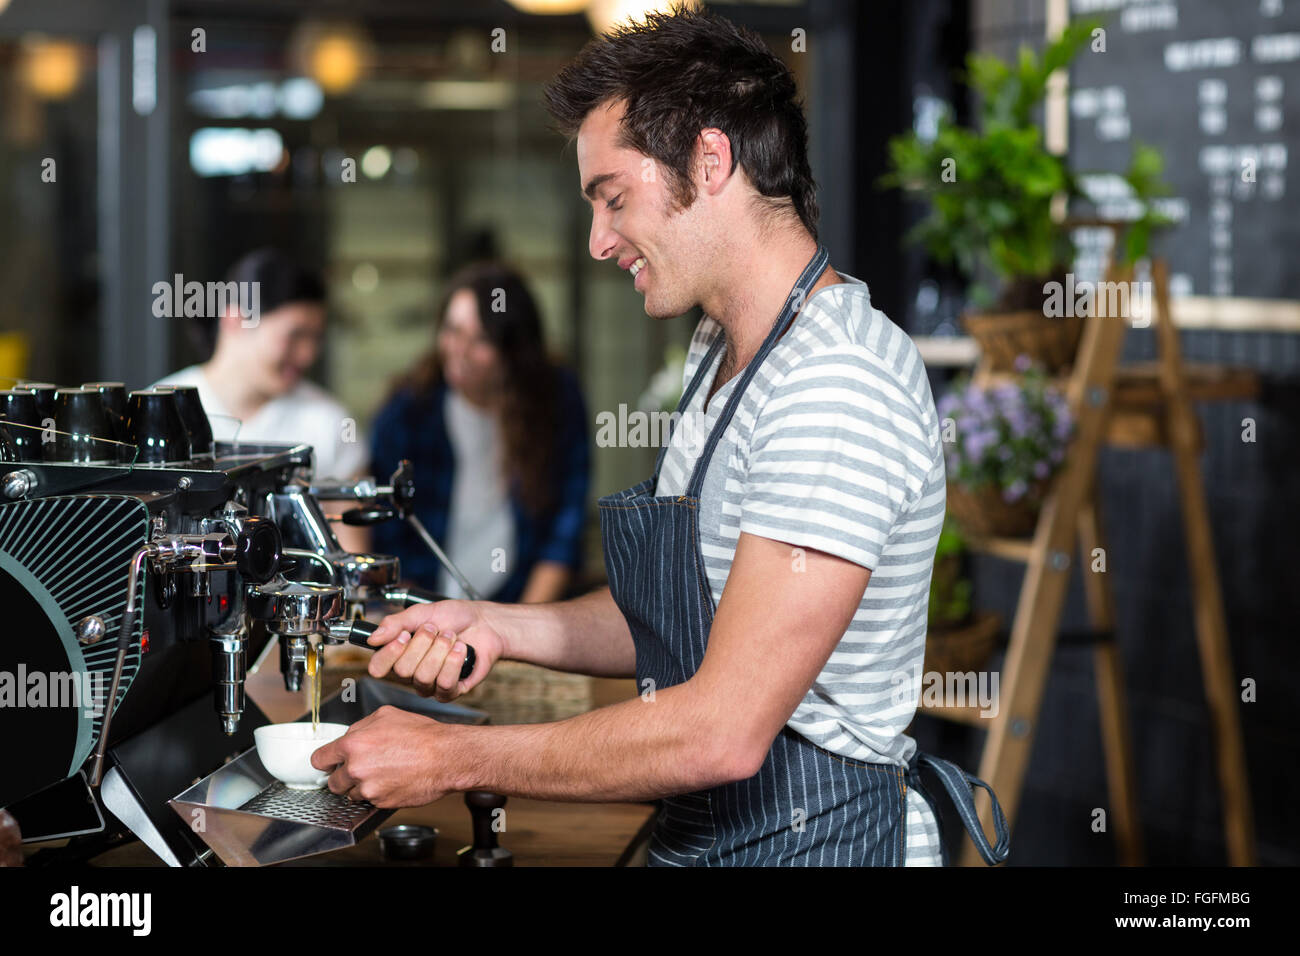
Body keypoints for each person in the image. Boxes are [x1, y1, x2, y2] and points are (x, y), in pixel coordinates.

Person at [315, 8, 1010, 867]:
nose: (600, 241)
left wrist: (446, 755)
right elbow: (688, 614)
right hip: (704, 841)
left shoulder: (835, 382)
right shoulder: (720, 354)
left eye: (613, 198)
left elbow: (720, 732)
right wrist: (493, 625)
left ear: (709, 161)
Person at [368, 261, 590, 604]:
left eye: (481, 339)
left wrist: (523, 629)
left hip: (516, 601)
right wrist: (423, 621)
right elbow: (387, 533)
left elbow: (563, 536)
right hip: (426, 602)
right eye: (452, 330)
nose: (460, 350)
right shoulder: (410, 409)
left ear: (515, 351)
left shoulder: (556, 401)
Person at [154, 248, 369, 549]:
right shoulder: (162, 409)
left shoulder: (329, 420)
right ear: (235, 320)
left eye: (315, 338)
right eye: (295, 335)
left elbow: (351, 549)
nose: (308, 355)